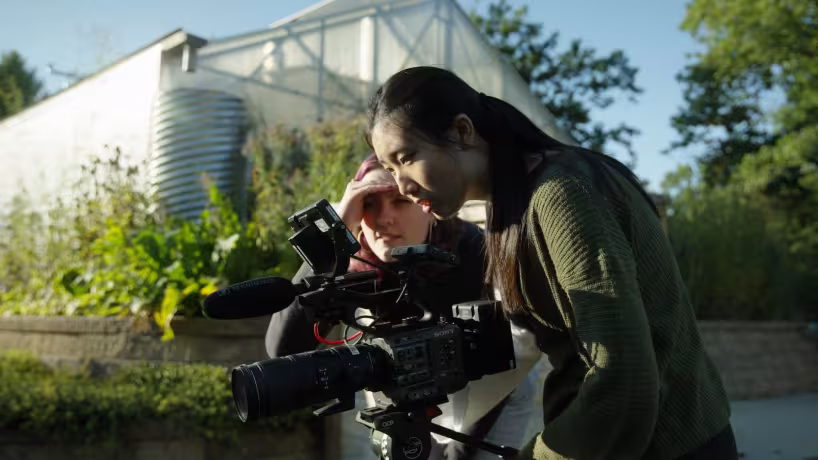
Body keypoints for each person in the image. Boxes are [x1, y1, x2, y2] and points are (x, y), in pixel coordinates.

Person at [364, 65, 738, 460]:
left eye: (406, 158)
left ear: (461, 131)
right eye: (389, 169)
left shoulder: (562, 193)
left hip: (664, 446)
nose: (401, 184)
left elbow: (622, 378)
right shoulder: (514, 204)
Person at [265, 153, 541, 460]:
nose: (383, 219)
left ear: (428, 206)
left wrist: (458, 453)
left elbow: (503, 363)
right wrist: (333, 242)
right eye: (368, 204)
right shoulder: (354, 270)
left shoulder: (473, 251)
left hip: (491, 391)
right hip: (400, 390)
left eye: (399, 200)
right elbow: (283, 349)